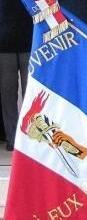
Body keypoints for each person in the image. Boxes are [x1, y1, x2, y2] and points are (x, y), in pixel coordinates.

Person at [0, 0, 33, 151]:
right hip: (4, 46)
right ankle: (12, 138)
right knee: (8, 95)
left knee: (31, 95)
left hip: (30, 44)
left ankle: (30, 138)